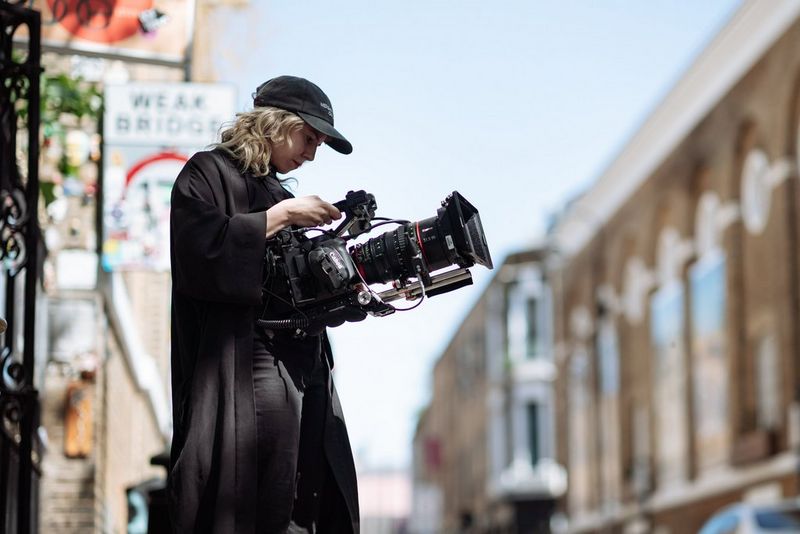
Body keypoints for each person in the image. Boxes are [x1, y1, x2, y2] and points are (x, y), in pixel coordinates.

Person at [168, 75, 361, 533]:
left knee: (304, 498)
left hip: (304, 370)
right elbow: (200, 256)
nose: (312, 153)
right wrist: (283, 217)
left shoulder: (279, 192)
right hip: (246, 369)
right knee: (254, 504)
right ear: (274, 123)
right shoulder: (207, 173)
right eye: (308, 137)